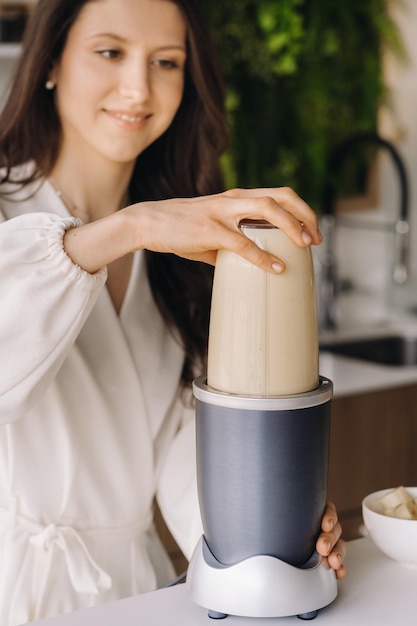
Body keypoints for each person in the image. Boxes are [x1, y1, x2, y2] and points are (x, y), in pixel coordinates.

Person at [0, 0, 346, 623]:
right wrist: (129, 228)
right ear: (51, 60)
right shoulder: (14, 212)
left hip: (137, 597)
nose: (138, 87)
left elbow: (193, 475)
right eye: (110, 52)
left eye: (167, 62)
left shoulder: (182, 253)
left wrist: (269, 531)